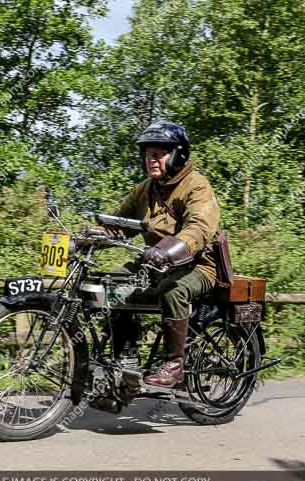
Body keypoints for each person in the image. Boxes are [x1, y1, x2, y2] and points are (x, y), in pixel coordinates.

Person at [88, 121, 220, 388]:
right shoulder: (144, 189)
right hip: (154, 264)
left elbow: (199, 228)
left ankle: (174, 365)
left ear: (178, 155)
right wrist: (85, 239)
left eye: (159, 154)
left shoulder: (196, 185)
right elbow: (120, 226)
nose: (152, 160)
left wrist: (167, 251)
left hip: (199, 266)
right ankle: (127, 358)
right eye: (148, 154)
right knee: (111, 285)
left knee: (174, 291)